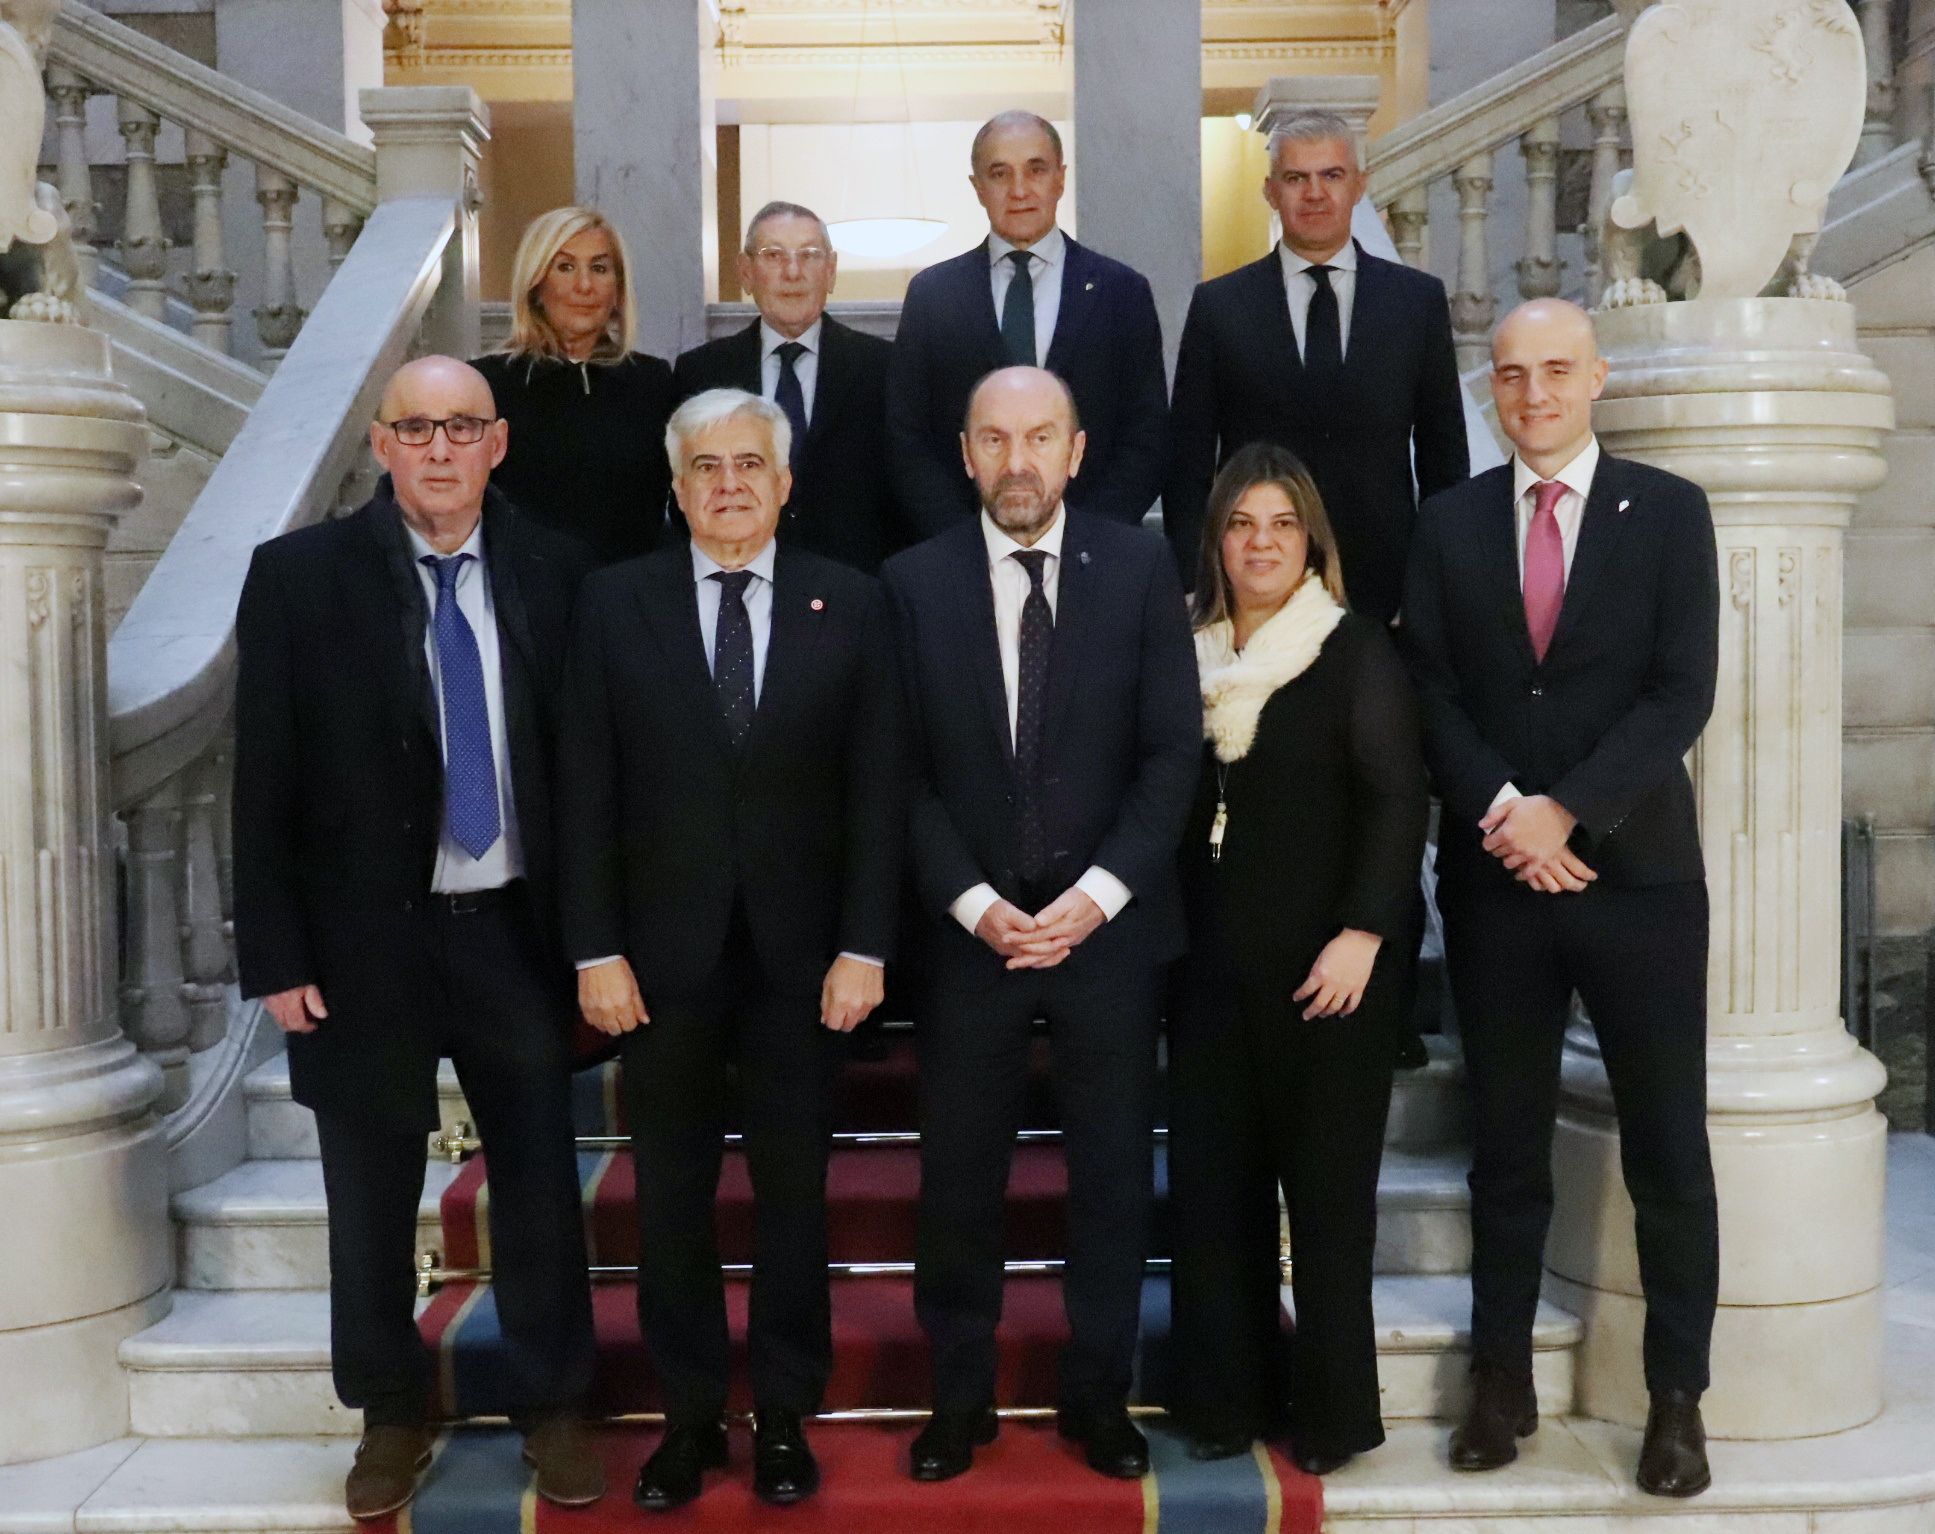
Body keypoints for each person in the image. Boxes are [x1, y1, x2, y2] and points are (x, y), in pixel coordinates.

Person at [232, 357, 602, 1521]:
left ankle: (553, 1404)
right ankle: (389, 1411)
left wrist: (599, 940)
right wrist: (277, 957)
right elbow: (264, 782)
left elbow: (590, 777)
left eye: (461, 428)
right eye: (415, 429)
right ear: (383, 445)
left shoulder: (559, 569)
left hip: (517, 934)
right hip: (361, 946)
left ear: (497, 444)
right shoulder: (299, 579)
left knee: (542, 1183)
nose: (439, 450)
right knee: (369, 1192)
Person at [558, 389, 902, 1512]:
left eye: (751, 463)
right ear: (677, 484)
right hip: (659, 966)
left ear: (787, 481)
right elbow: (586, 794)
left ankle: (785, 1414)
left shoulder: (848, 602)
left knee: (794, 1197)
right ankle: (692, 1414)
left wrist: (865, 943)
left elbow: (877, 794)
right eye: (705, 466)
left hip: (808, 965)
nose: (729, 484)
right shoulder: (614, 606)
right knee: (672, 1201)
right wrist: (595, 949)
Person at [1401, 298, 1719, 1498]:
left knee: (1669, 1150)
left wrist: (1567, 810)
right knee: (1505, 1147)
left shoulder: (1670, 512)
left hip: (1636, 883)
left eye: (1554, 371)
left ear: (1598, 378)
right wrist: (1506, 811)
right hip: (1496, 886)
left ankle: (1678, 1400)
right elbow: (1429, 689)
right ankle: (1500, 1380)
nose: (1531, 393)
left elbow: (1680, 690)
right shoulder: (1450, 524)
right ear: (1492, 391)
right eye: (1510, 375)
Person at [881, 366, 1199, 1483]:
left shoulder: (1143, 563)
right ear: (965, 455)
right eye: (995, 439)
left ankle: (1099, 1398)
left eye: (1041, 437)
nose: (1018, 461)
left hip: (1108, 936)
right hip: (970, 942)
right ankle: (956, 1399)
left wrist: (1094, 896)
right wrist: (975, 905)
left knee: (1112, 1179)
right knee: (957, 1178)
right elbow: (899, 776)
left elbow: (1172, 753)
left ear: (1077, 449)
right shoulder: (910, 583)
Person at [1166, 442, 1428, 1475]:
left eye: (1281, 524)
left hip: (1333, 972)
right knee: (1215, 1193)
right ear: (1216, 542)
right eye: (1242, 525)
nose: (1261, 543)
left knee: (1324, 1204)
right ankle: (1223, 1399)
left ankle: (1329, 1413)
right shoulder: (1181, 651)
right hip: (1208, 972)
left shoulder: (1352, 648)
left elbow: (1398, 798)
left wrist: (1365, 930)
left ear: (1310, 538)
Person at [1164, 110, 1468, 622]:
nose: (1314, 193)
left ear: (1359, 186)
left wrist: (1436, 586)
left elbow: (1444, 461)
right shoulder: (1220, 307)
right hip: (1255, 591)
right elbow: (1188, 464)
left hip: (1385, 595)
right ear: (1270, 191)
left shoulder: (1416, 303)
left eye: (1332, 175)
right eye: (1296, 178)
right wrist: (1198, 586)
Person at [887, 111, 1168, 537]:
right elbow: (907, 439)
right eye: (1000, 174)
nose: (1019, 191)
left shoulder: (1121, 293)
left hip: (1092, 555)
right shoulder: (933, 295)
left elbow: (1146, 435)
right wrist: (966, 542)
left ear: (1060, 178)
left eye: (1036, 170)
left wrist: (1084, 537)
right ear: (978, 188)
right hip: (964, 557)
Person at [672, 200, 905, 573]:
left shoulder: (884, 367)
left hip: (855, 585)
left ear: (830, 272)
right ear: (746, 273)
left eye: (810, 256)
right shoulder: (701, 372)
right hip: (735, 580)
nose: (793, 272)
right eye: (773, 255)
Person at [473, 205, 676, 565]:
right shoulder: (486, 385)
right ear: (535, 285)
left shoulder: (654, 383)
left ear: (618, 290)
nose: (584, 286)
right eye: (565, 267)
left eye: (599, 268)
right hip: (524, 601)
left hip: (630, 598)